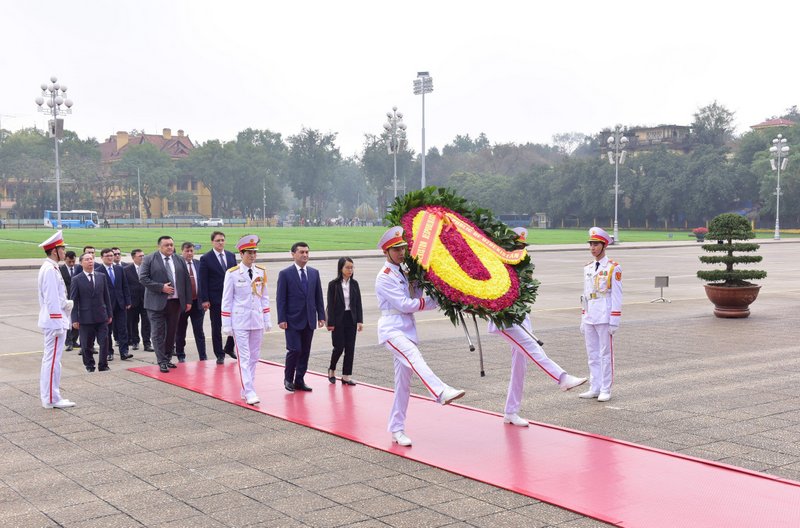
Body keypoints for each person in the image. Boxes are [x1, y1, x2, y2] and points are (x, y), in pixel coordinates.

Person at [488, 228, 588, 426]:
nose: (521, 250)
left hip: (521, 318)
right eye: (517, 247)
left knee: (520, 365)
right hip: (505, 321)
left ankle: (511, 411)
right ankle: (562, 378)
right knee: (533, 349)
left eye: (523, 247)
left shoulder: (523, 267)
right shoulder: (500, 267)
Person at [375, 226, 464, 447]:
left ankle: (396, 429)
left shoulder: (406, 271)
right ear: (386, 252)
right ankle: (440, 391)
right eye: (396, 250)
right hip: (391, 330)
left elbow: (415, 295)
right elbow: (405, 305)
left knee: (403, 385)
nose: (401, 253)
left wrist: (431, 284)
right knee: (414, 356)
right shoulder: (384, 277)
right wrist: (432, 303)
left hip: (407, 330)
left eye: (403, 248)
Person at [221, 235, 272, 405]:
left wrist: (267, 318)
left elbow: (264, 297)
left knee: (254, 357)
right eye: (249, 253)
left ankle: (245, 388)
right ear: (241, 254)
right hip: (240, 321)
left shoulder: (261, 271)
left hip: (256, 320)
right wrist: (226, 324)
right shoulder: (233, 274)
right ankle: (250, 390)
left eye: (254, 252)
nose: (252, 256)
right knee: (243, 356)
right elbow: (227, 300)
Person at [580, 227, 623, 402]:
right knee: (592, 354)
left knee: (605, 354)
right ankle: (595, 386)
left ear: (604, 245)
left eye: (596, 244)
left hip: (605, 314)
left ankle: (606, 388)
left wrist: (615, 319)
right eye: (591, 244)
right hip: (590, 314)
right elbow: (585, 294)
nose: (592, 248)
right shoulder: (588, 268)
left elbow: (617, 295)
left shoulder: (613, 267)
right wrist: (583, 316)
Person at [276, 242, 326, 392]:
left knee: (305, 351)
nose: (305, 255)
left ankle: (299, 380)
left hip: (309, 319)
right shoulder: (285, 274)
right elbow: (281, 298)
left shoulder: (314, 273)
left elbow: (318, 296)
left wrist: (321, 315)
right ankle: (288, 378)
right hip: (292, 320)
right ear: (293, 254)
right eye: (301, 252)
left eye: (307, 252)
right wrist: (281, 318)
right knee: (294, 350)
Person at [139, 236, 192, 373]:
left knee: (171, 333)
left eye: (171, 245)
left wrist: (187, 301)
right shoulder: (150, 259)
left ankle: (168, 358)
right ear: (159, 247)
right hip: (156, 303)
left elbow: (186, 280)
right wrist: (161, 287)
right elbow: (143, 278)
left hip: (175, 303)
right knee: (157, 333)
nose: (170, 247)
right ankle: (161, 361)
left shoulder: (179, 259)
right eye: (166, 245)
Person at [36, 230, 75, 409]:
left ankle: (52, 395)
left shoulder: (51, 267)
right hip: (54, 321)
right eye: (62, 248)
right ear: (55, 251)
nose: (65, 251)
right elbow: (51, 299)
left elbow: (55, 298)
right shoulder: (50, 269)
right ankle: (51, 398)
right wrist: (58, 320)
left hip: (54, 319)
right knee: (52, 361)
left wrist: (66, 303)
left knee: (52, 360)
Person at [199, 231, 237, 364]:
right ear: (212, 242)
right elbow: (203, 281)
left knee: (235, 324)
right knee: (217, 326)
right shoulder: (206, 258)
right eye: (217, 241)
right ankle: (219, 353)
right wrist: (205, 299)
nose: (220, 243)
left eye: (222, 240)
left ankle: (229, 347)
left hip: (232, 298)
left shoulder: (231, 256)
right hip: (215, 299)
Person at [71, 252, 112, 373]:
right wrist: (74, 319)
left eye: (92, 259)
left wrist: (109, 313)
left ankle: (103, 365)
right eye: (87, 259)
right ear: (81, 263)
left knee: (104, 341)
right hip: (85, 317)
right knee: (87, 345)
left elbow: (106, 296)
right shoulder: (77, 280)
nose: (90, 261)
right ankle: (89, 364)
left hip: (101, 315)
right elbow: (74, 301)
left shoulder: (101, 276)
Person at [326, 257, 363, 385]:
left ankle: (346, 376)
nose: (350, 270)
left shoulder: (355, 284)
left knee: (350, 348)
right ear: (341, 268)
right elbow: (330, 305)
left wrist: (359, 320)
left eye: (352, 267)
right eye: (347, 267)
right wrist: (330, 323)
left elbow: (358, 303)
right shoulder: (333, 285)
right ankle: (332, 369)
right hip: (338, 320)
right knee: (338, 347)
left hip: (351, 319)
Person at [96, 248, 132, 361]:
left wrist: (128, 301)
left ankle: (124, 352)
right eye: (107, 256)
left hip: (120, 304)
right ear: (102, 257)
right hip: (107, 305)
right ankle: (109, 352)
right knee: (107, 330)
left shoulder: (119, 269)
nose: (110, 257)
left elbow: (125, 286)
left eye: (111, 255)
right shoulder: (98, 271)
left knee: (123, 329)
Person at [176, 242, 208, 362]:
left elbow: (204, 283)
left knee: (199, 331)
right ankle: (180, 355)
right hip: (183, 304)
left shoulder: (198, 264)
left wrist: (205, 299)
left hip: (197, 303)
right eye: (187, 251)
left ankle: (203, 356)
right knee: (180, 331)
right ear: (182, 252)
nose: (189, 253)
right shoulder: (177, 265)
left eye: (191, 251)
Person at [124, 249, 152, 352]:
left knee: (146, 323)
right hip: (133, 301)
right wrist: (127, 301)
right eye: (140, 256)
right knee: (133, 322)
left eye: (143, 255)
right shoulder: (126, 270)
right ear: (133, 257)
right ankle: (135, 341)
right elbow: (125, 286)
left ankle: (147, 343)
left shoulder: (148, 268)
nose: (143, 258)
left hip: (146, 300)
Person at [59, 250, 80, 352]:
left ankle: (74, 339)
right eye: (69, 262)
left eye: (73, 261)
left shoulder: (78, 269)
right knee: (67, 321)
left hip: (77, 299)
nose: (72, 264)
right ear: (65, 259)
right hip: (66, 299)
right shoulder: (60, 270)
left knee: (76, 320)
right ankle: (68, 342)